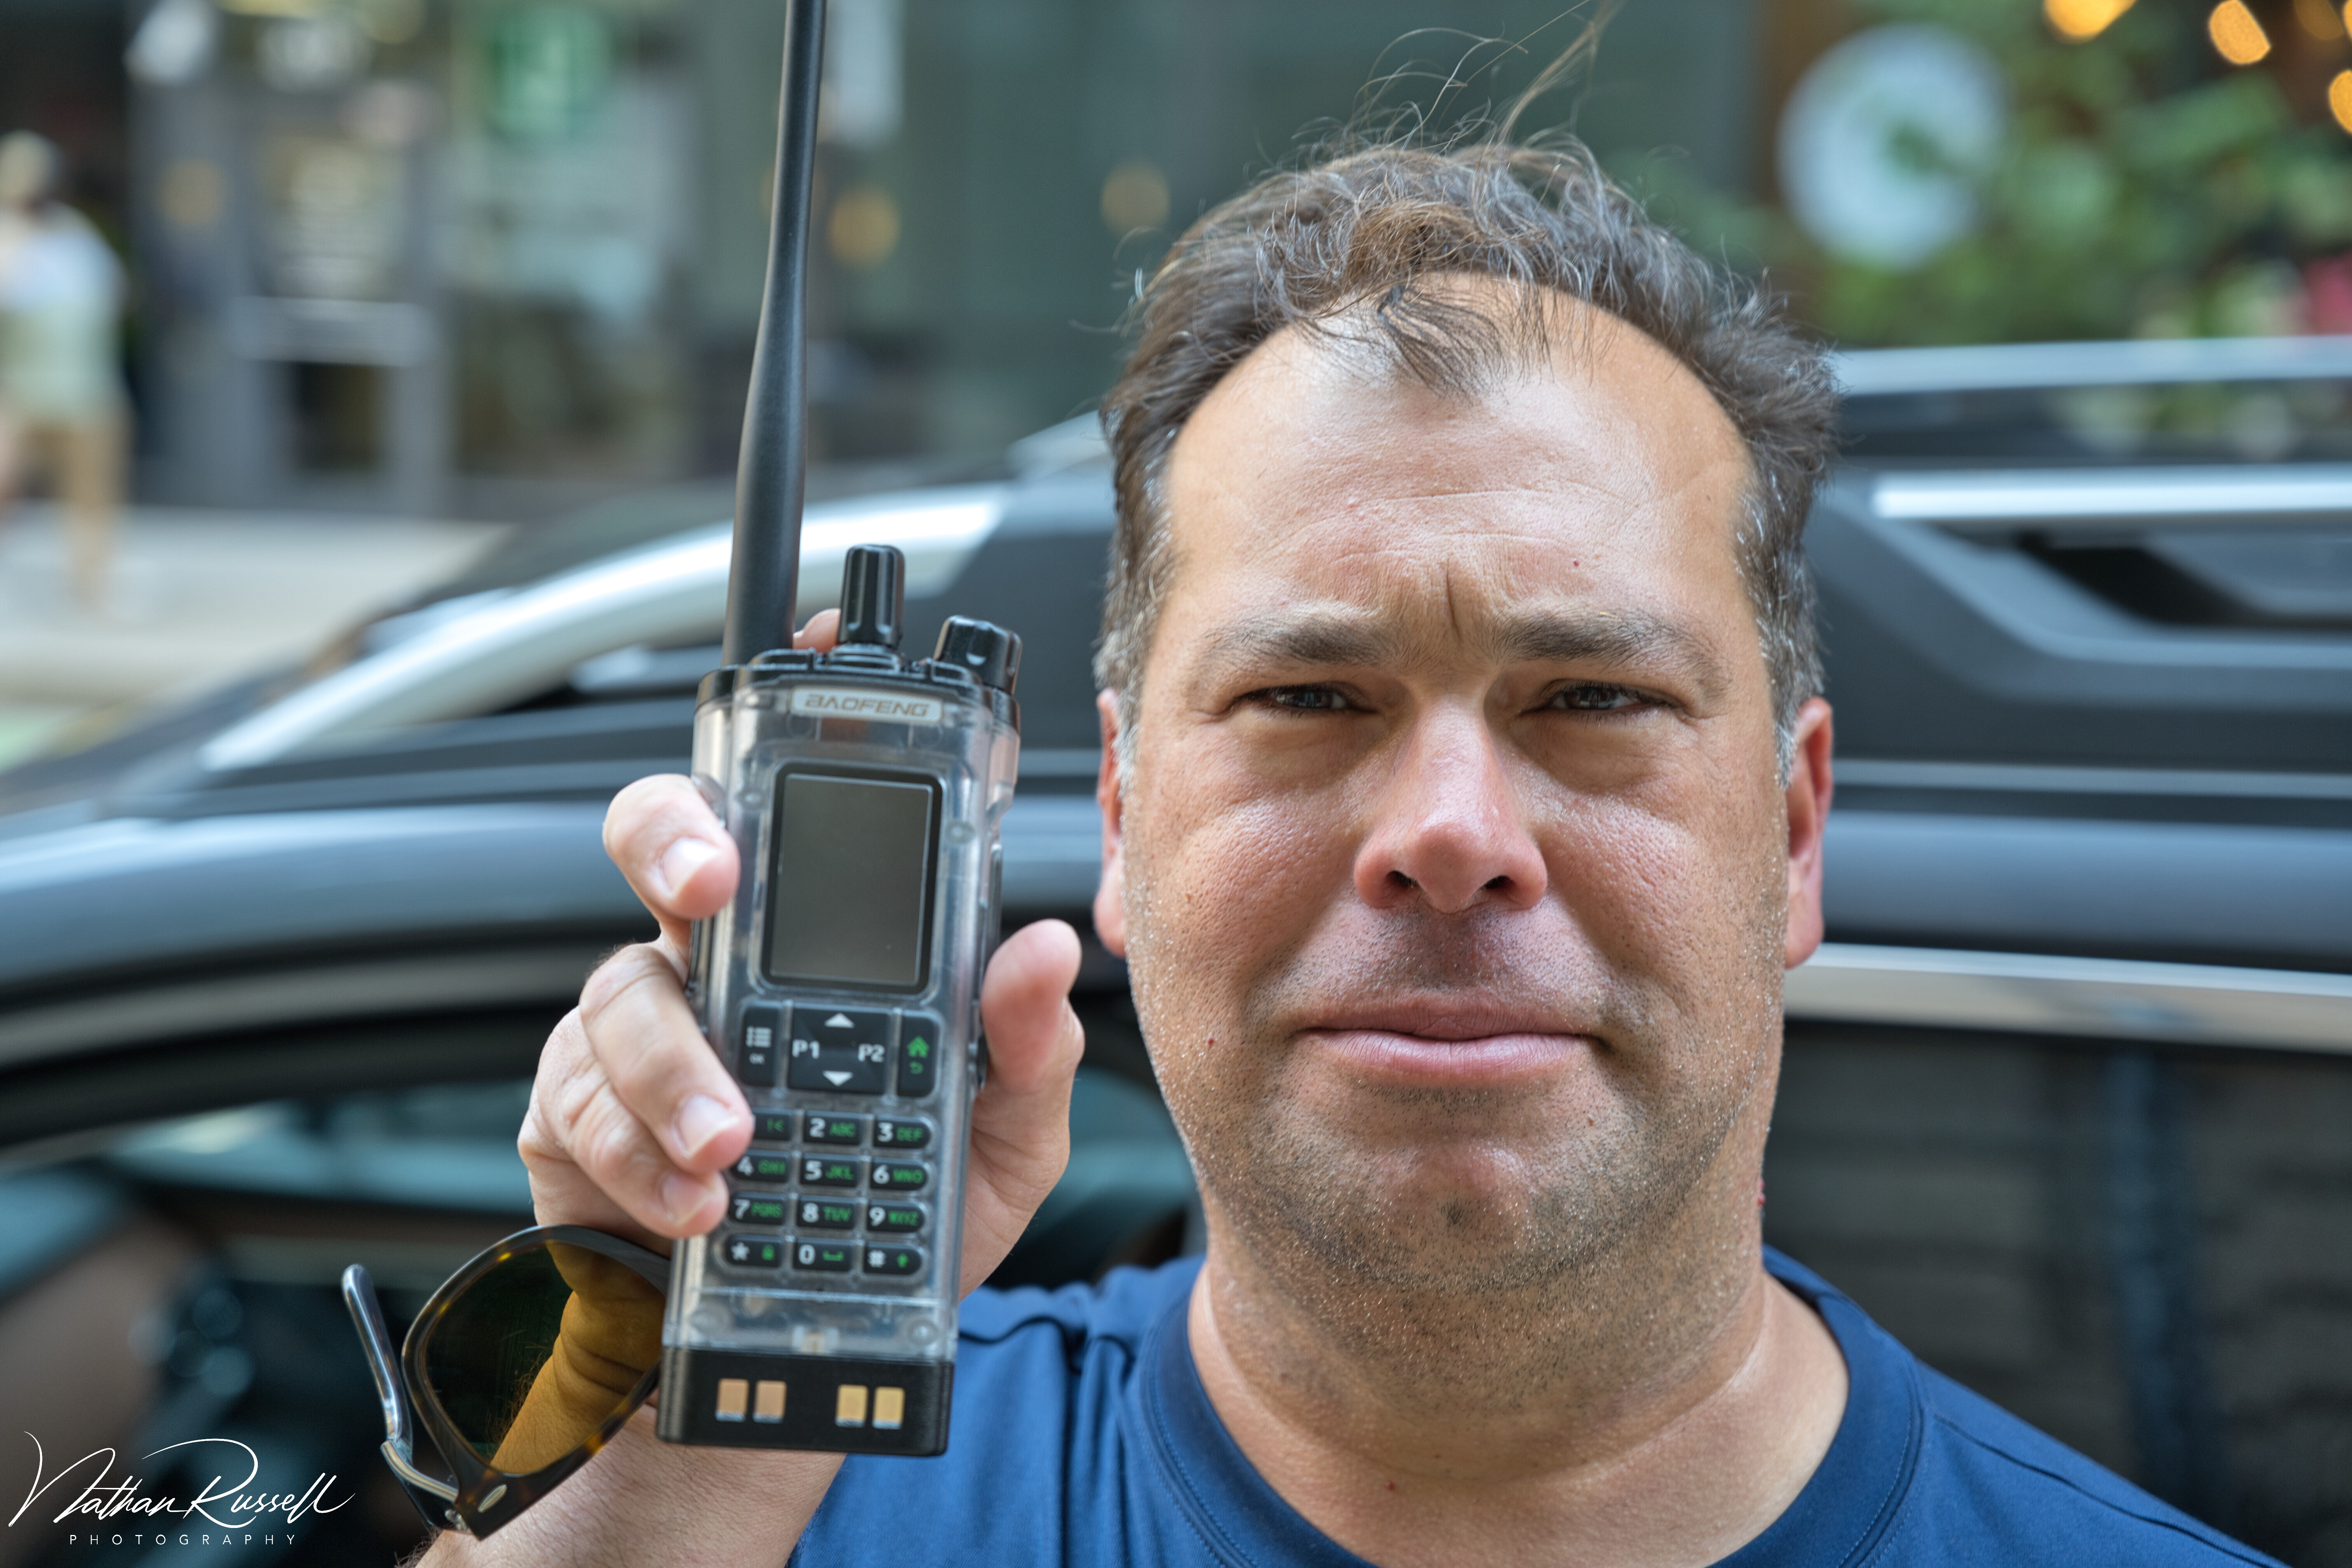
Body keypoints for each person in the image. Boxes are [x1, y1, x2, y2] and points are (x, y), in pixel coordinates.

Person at [425, 138, 2277, 1566]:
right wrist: (665, 1412)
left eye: (1594, 699)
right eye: (1310, 698)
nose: (1451, 837)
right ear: (1126, 819)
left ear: (1792, 831)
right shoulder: (778, 1499)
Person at [0, 130, 129, 615]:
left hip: (86, 391)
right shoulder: (7, 238)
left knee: (92, 498)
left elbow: (114, 294)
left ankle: (93, 588)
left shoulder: (75, 234)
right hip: (20, 394)